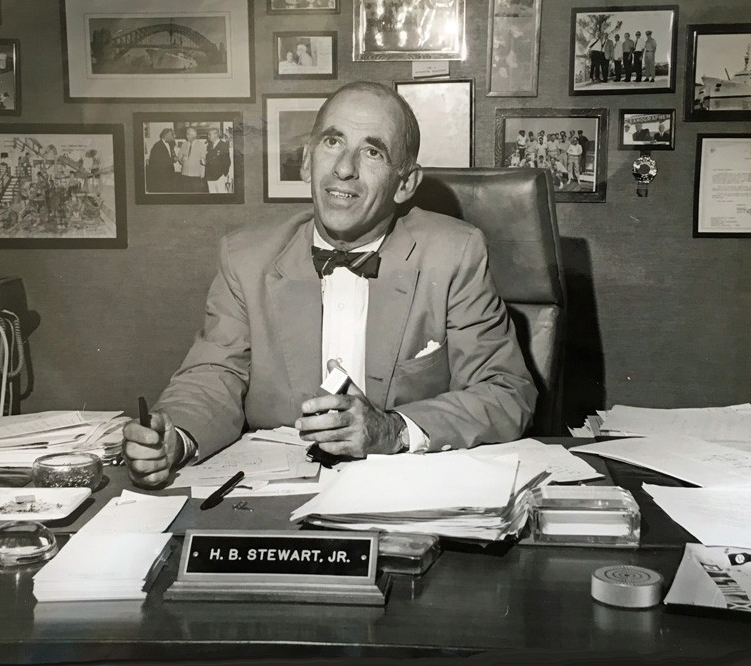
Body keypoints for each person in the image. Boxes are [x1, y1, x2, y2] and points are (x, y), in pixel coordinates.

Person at [123, 81, 536, 487]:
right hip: (274, 491)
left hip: (404, 484)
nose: (344, 169)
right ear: (306, 160)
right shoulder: (245, 258)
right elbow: (214, 374)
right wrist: (175, 438)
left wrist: (392, 430)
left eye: (372, 152)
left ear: (405, 183)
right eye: (332, 142)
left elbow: (506, 392)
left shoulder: (454, 254)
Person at [146, 127, 176, 193]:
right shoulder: (157, 146)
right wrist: (171, 161)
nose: (173, 137)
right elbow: (158, 162)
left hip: (169, 176)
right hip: (162, 177)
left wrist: (174, 159)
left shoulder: (170, 145)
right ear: (166, 135)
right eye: (172, 135)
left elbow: (169, 157)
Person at [202, 128, 231, 194]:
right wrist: (205, 162)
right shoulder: (209, 146)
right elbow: (210, 160)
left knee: (222, 195)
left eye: (209, 134)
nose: (208, 136)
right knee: (212, 195)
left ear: (216, 134)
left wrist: (223, 175)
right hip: (210, 176)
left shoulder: (223, 145)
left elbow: (227, 162)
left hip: (219, 177)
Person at [177, 126, 205, 192]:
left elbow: (203, 160)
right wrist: (181, 159)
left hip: (196, 175)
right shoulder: (184, 144)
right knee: (186, 194)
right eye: (187, 134)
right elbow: (179, 156)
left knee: (196, 194)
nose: (186, 136)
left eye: (188, 134)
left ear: (193, 135)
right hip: (185, 174)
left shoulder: (201, 145)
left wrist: (202, 174)